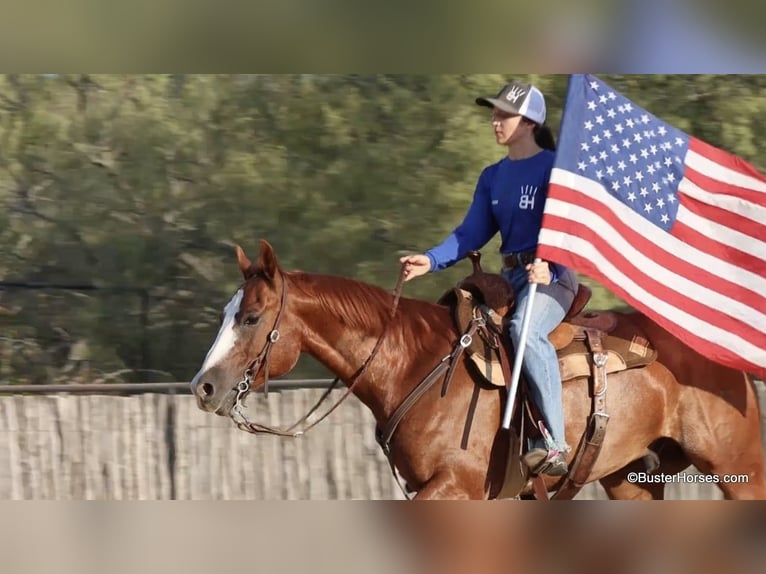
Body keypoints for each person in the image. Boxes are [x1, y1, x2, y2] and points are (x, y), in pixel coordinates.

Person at [399, 81, 578, 476]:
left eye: (503, 115)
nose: (494, 122)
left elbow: (576, 226)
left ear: (530, 122)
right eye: (493, 115)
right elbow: (469, 234)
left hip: (554, 277)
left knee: (524, 330)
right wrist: (430, 260)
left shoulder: (556, 168)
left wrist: (552, 264)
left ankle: (554, 443)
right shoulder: (493, 176)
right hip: (512, 278)